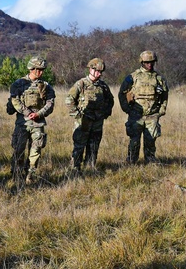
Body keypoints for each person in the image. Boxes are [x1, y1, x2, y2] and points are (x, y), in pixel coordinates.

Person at [9, 57, 55, 185]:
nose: (40, 72)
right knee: (18, 149)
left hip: (38, 124)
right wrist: (28, 113)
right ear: (31, 69)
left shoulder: (46, 86)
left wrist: (38, 114)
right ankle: (16, 176)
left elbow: (50, 103)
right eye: (38, 69)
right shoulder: (18, 84)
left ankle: (30, 176)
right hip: (22, 123)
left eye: (42, 70)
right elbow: (14, 101)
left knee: (36, 152)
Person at [64, 58, 114, 172]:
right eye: (97, 71)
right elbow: (69, 100)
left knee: (94, 146)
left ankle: (90, 168)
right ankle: (75, 169)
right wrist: (77, 115)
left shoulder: (103, 86)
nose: (99, 74)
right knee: (79, 146)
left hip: (97, 122)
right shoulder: (81, 84)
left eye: (101, 72)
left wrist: (105, 113)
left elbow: (110, 100)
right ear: (90, 69)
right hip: (83, 122)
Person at [119, 50, 168, 163]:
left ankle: (150, 161)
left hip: (152, 115)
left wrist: (162, 110)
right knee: (134, 141)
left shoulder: (159, 78)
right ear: (142, 62)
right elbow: (122, 93)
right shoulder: (132, 77)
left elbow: (165, 95)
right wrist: (126, 108)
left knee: (150, 140)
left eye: (152, 62)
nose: (150, 64)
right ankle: (132, 161)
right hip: (136, 115)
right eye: (147, 62)